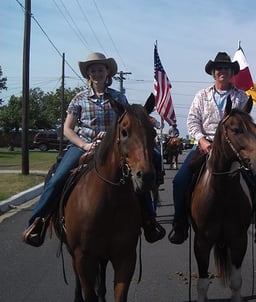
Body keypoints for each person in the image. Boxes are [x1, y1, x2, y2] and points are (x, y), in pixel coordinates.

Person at [22, 52, 165, 247]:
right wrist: (84, 145)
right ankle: (38, 220)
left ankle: (149, 220)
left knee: (137, 178)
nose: (97, 73)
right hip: (83, 145)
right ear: (88, 74)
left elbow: (127, 123)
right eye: (93, 70)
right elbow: (67, 129)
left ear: (108, 73)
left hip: (112, 147)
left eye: (101, 69)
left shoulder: (118, 97)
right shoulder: (79, 99)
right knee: (59, 178)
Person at [168, 52, 256, 244]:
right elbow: (193, 120)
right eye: (219, 69)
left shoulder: (241, 97)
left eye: (226, 68)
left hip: (234, 150)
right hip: (206, 146)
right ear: (213, 73)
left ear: (232, 72)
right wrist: (201, 140)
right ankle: (180, 224)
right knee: (180, 181)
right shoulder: (202, 96)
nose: (222, 71)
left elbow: (245, 124)